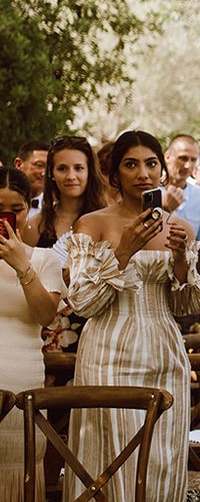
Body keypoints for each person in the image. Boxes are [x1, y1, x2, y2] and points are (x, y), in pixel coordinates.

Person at [62, 130, 200, 502]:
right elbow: (83, 304)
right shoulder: (91, 224)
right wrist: (123, 251)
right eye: (131, 164)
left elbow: (190, 306)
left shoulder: (178, 227)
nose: (143, 173)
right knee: (112, 462)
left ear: (162, 170)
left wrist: (182, 259)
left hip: (164, 353)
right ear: (113, 175)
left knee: (163, 460)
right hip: (108, 354)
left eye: (151, 164)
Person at [0, 167, 63, 502]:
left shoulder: (44, 260)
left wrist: (21, 266)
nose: (7, 216)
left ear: (28, 209)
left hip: (22, 377)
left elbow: (45, 315)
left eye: (16, 208)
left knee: (18, 470)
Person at [21, 136, 106, 353]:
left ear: (90, 172)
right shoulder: (35, 226)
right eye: (62, 168)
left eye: (79, 168)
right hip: (46, 334)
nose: (71, 176)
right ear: (51, 173)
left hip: (96, 330)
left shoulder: (106, 222)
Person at [163, 134, 200, 243]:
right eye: (183, 158)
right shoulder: (151, 192)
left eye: (193, 160)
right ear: (167, 157)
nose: (187, 165)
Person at [14, 140, 49, 217]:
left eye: (49, 167)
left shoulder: (54, 210)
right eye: (39, 165)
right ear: (19, 164)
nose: (44, 173)